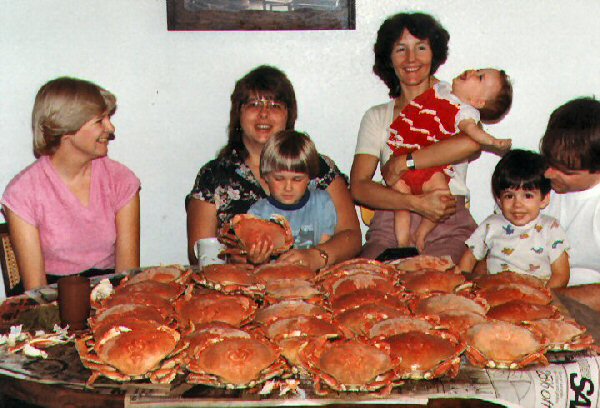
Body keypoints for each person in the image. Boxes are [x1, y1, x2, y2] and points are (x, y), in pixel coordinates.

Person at [186, 65, 361, 271]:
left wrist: (317, 256)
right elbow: (198, 253)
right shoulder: (214, 176)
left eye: (275, 105)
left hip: (313, 287)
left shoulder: (316, 165)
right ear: (238, 113)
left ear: (289, 114)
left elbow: (352, 236)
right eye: (254, 104)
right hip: (241, 289)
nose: (264, 114)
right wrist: (238, 259)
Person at [350, 12, 482, 263]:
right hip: (391, 222)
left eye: (421, 47)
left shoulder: (457, 105)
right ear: (389, 58)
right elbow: (358, 187)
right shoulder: (378, 116)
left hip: (447, 221)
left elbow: (472, 143)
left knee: (437, 289)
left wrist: (404, 162)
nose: (411, 59)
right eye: (401, 49)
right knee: (370, 284)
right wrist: (413, 202)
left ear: (435, 54)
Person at [1, 77, 140, 290]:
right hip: (50, 298)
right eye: (99, 121)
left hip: (109, 293)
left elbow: (127, 278)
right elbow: (37, 289)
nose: (110, 128)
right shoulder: (23, 193)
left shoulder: (120, 180)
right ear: (67, 130)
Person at [389, 68, 513, 251]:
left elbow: (473, 132)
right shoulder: (442, 88)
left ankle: (421, 234)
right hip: (404, 152)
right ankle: (402, 244)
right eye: (477, 70)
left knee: (443, 197)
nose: (471, 71)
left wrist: (493, 141)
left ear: (477, 101)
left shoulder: (466, 111)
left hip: (429, 169)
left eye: (479, 77)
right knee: (401, 203)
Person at [458, 150, 570, 288]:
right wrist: (462, 285)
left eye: (528, 196)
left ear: (544, 199)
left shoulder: (551, 227)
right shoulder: (491, 224)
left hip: (536, 295)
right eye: (509, 196)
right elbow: (469, 258)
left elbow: (561, 274)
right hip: (495, 292)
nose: (517, 204)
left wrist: (545, 296)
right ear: (499, 199)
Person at [245, 130, 337, 264]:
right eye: (279, 178)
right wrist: (258, 260)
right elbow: (256, 264)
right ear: (265, 176)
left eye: (297, 179)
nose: (288, 187)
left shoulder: (322, 203)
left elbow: (324, 250)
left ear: (309, 178)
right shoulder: (256, 214)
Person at [540, 97, 600, 286]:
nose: (548, 174)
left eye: (565, 171)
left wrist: (550, 299)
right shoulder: (531, 181)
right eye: (549, 161)